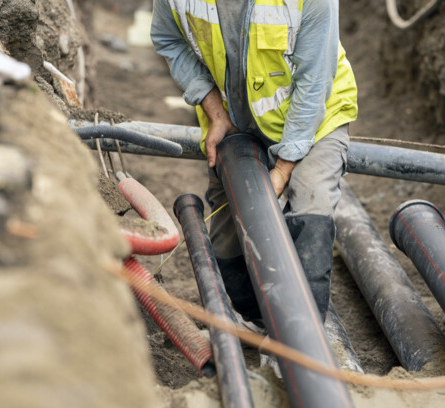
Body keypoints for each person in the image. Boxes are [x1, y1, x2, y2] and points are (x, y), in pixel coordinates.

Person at [151, 0, 358, 325]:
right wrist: (214, 110)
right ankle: (261, 324)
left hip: (316, 116)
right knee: (227, 247)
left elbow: (315, 82)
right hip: (236, 120)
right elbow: (168, 38)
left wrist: (284, 168)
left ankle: (303, 344)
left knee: (310, 207)